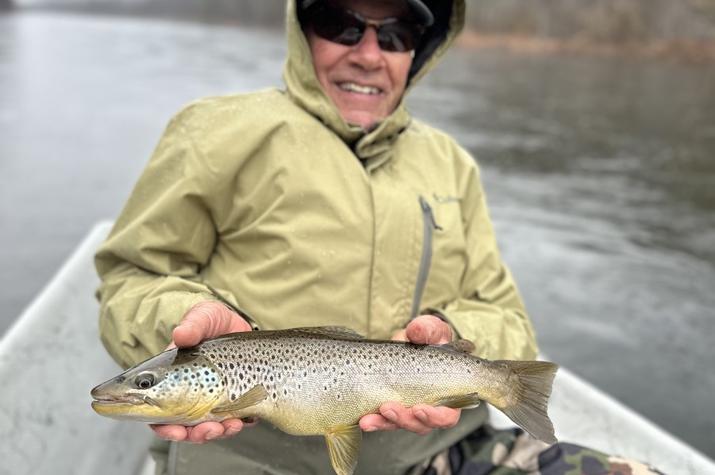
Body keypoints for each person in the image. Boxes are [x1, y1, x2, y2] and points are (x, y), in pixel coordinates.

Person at [95, 0, 662, 473]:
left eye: (396, 33)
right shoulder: (215, 131)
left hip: (442, 451)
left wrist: (454, 336)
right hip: (250, 461)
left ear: (421, 47)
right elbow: (131, 276)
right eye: (342, 24)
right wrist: (183, 319)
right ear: (302, 28)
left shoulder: (452, 165)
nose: (368, 55)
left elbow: (510, 321)